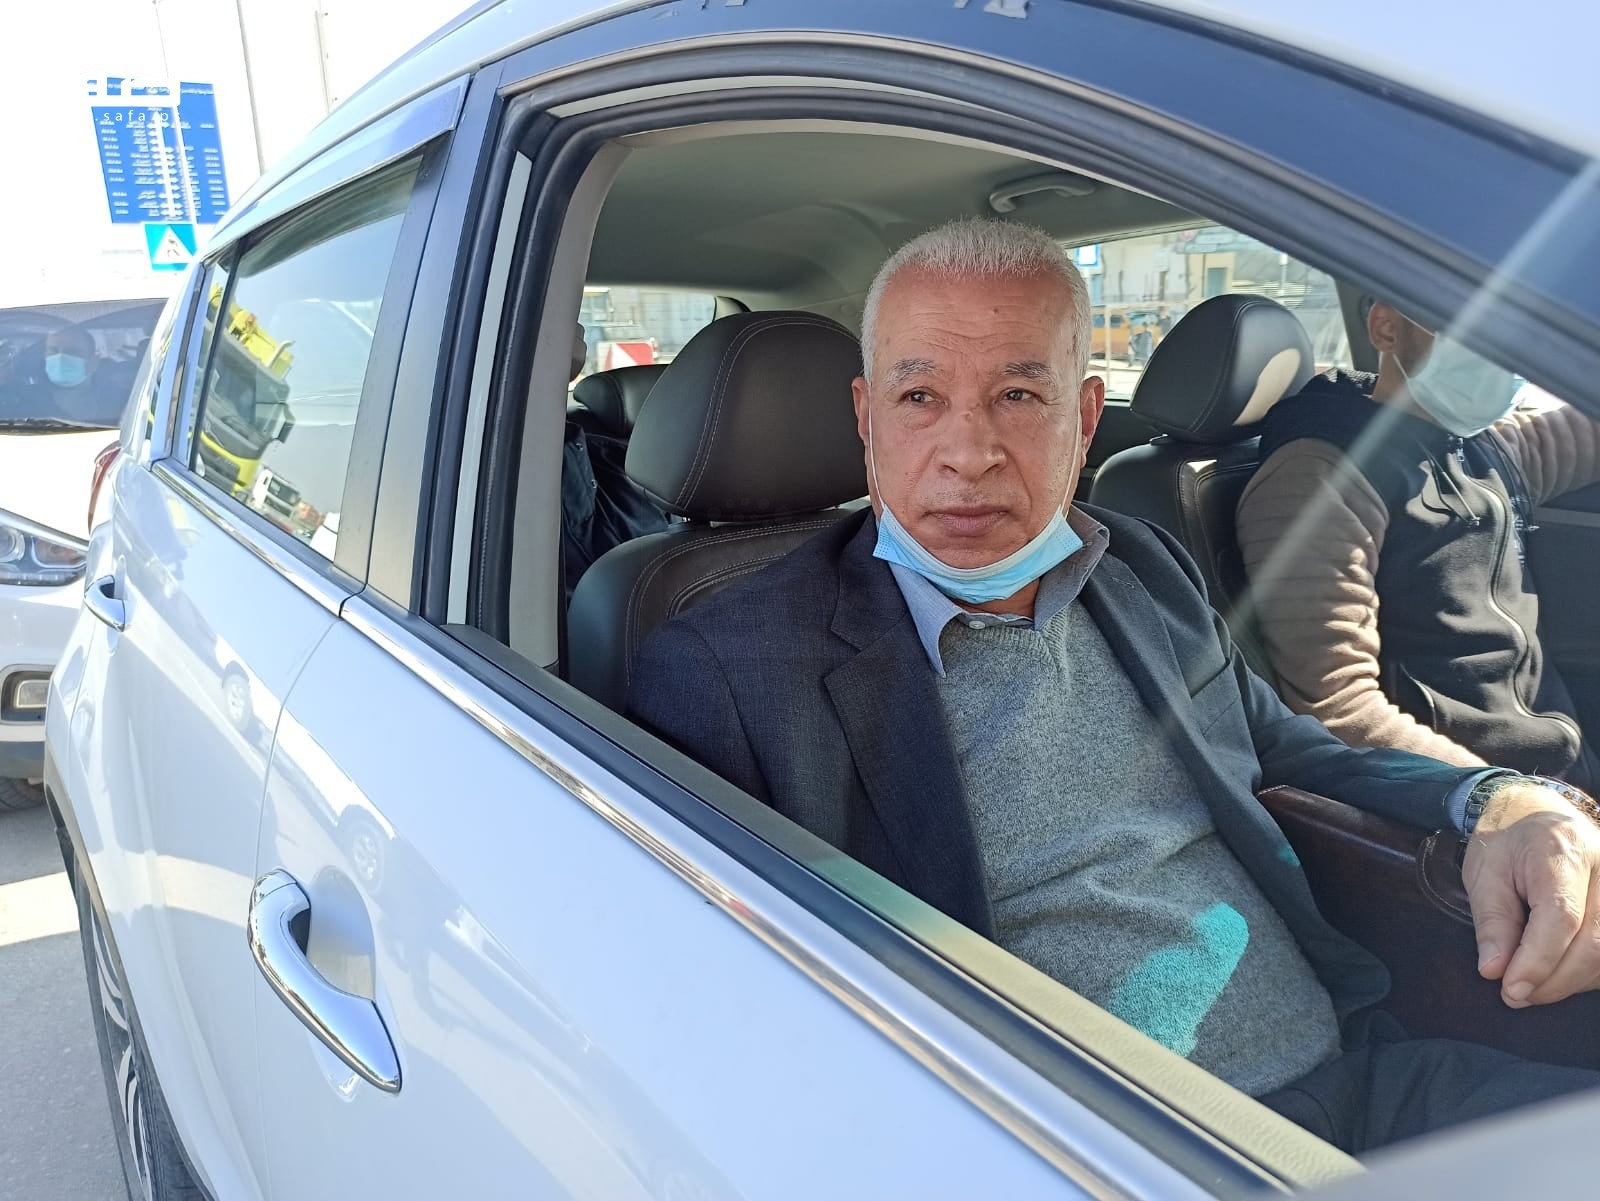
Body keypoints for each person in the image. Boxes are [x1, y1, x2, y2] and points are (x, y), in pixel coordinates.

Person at [630, 219, 1600, 1154]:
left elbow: (1288, 742)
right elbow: (740, 1032)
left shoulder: (1136, 563)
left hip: (1357, 1079)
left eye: (1019, 394)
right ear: (865, 417)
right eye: (919, 396)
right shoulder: (730, 669)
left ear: (1086, 418)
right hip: (1106, 1151)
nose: (968, 451)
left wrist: (1497, 799)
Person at [1236, 300, 1600, 787]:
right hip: (1467, 794)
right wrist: (1504, 797)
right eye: (1477, 330)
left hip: (1559, 765)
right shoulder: (1319, 476)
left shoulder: (1482, 447)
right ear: (1386, 328)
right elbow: (1338, 706)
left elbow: (1584, 432)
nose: (1506, 356)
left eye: (1520, 337)